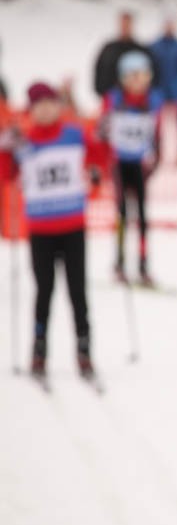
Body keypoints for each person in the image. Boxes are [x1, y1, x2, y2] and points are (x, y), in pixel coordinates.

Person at [0, 82, 106, 382]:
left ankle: (84, 349)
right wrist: (6, 150)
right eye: (40, 105)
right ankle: (39, 348)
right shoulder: (24, 141)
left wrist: (103, 140)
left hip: (73, 225)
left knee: (77, 290)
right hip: (41, 229)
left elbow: (99, 156)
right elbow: (6, 174)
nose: (46, 110)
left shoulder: (73, 134)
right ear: (31, 110)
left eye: (51, 103)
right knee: (44, 291)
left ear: (59, 107)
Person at [100, 51, 163, 285]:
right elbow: (101, 130)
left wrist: (156, 160)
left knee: (143, 215)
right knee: (122, 214)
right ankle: (119, 262)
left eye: (142, 75)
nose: (137, 81)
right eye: (132, 76)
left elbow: (157, 133)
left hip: (140, 163)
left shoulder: (153, 100)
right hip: (119, 163)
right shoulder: (114, 99)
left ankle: (143, 265)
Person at [93, 10, 158, 98]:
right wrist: (103, 93)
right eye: (123, 24)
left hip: (137, 100)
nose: (125, 27)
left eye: (127, 24)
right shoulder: (109, 49)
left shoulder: (141, 50)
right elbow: (99, 71)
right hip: (111, 99)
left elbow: (150, 74)